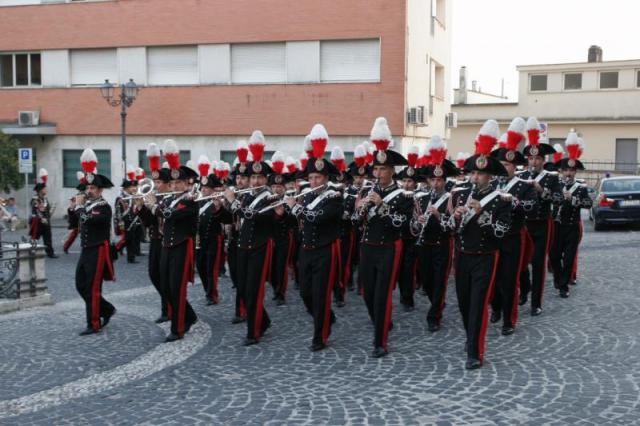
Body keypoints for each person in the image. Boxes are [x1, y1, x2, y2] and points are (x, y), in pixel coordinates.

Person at [446, 119, 512, 369]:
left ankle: (475, 351)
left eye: (480, 173)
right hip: (462, 255)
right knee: (463, 303)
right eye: (473, 172)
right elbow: (449, 228)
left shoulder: (501, 201)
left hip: (486, 256)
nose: (475, 177)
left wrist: (482, 215)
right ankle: (470, 336)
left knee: (477, 305)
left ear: (490, 175)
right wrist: (457, 216)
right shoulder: (460, 194)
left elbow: (501, 233)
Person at [354, 117, 413, 358]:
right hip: (368, 246)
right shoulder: (369, 191)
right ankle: (381, 321)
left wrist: (384, 207)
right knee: (367, 292)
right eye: (376, 169)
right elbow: (357, 223)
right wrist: (361, 208)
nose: (378, 174)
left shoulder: (402, 196)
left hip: (389, 247)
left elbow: (402, 224)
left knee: (382, 294)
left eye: (383, 169)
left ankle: (380, 341)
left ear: (392, 171)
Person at [288, 124, 343, 351]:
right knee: (305, 293)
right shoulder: (306, 196)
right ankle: (327, 318)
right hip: (306, 249)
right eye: (310, 177)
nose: (313, 182)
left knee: (320, 294)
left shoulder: (334, 196)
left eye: (317, 177)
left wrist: (297, 209)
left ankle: (319, 336)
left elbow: (318, 217)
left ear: (326, 178)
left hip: (325, 250)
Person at [225, 131, 276, 346]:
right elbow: (233, 218)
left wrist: (234, 203)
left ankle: (253, 332)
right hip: (243, 246)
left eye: (258, 177)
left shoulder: (270, 198)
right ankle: (263, 320)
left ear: (265, 179)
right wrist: (223, 207)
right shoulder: (246, 196)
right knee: (244, 288)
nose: (254, 181)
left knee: (254, 290)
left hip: (260, 247)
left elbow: (255, 217)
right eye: (252, 177)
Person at [489, 121, 538, 336]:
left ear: (515, 166)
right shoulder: (491, 186)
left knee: (509, 279)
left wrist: (514, 201)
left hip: (512, 237)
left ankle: (509, 319)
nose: (505, 168)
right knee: (493, 277)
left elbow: (530, 206)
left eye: (509, 165)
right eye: (502, 164)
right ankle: (496, 308)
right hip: (491, 237)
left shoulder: (523, 185)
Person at [413, 138, 459, 332]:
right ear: (428, 180)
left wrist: (439, 216)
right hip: (425, 244)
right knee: (428, 281)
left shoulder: (451, 198)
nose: (436, 183)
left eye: (440, 180)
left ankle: (434, 316)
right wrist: (418, 222)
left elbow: (453, 226)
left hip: (442, 244)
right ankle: (437, 303)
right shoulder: (420, 198)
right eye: (433, 180)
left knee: (440, 281)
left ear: (444, 181)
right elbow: (412, 226)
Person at [518, 117, 563, 316]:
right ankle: (525, 288)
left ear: (543, 161)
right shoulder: (520, 177)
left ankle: (536, 302)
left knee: (537, 263)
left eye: (537, 159)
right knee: (520, 263)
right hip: (523, 225)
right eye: (530, 158)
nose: (534, 161)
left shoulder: (551, 177)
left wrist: (541, 189)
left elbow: (558, 198)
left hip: (542, 225)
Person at [158, 140, 199, 342]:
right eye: (172, 183)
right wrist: (141, 207)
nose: (174, 186)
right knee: (165, 286)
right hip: (167, 245)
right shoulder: (167, 200)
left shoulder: (190, 201)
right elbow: (152, 220)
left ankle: (178, 328)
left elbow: (172, 215)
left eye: (178, 183)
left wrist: (153, 206)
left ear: (186, 184)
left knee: (177, 287)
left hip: (182, 246)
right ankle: (189, 316)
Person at [74, 149, 116, 335]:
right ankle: (106, 309)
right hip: (86, 249)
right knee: (80, 284)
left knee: (92, 287)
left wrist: (79, 207)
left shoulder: (103, 207)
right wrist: (76, 207)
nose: (89, 191)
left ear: (100, 190)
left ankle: (93, 323)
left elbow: (88, 219)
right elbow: (75, 218)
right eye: (87, 188)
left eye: (92, 189)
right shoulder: (88, 205)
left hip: (98, 249)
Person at [550, 132, 592, 298]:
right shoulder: (556, 185)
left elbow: (588, 204)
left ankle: (563, 286)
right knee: (554, 257)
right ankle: (559, 278)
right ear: (561, 171)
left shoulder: (580, 188)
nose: (568, 173)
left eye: (571, 170)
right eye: (565, 170)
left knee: (568, 259)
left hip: (572, 226)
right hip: (556, 226)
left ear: (575, 172)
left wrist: (573, 199)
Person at [137, 143, 172, 323]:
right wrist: (141, 208)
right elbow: (148, 222)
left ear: (167, 184)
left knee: (165, 276)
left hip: (168, 242)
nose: (155, 185)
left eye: (158, 183)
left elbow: (166, 218)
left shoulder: (170, 199)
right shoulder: (154, 198)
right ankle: (167, 305)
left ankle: (167, 309)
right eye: (155, 182)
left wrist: (153, 206)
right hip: (155, 241)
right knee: (154, 274)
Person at [196, 164, 232, 305]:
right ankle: (207, 290)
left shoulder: (217, 202)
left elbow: (227, 219)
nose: (203, 190)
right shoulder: (198, 202)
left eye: (206, 188)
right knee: (200, 266)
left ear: (212, 190)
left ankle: (212, 295)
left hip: (213, 239)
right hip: (200, 239)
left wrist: (219, 207)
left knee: (211, 269)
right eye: (202, 188)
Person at [267, 152, 297, 306]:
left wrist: (283, 214)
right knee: (271, 268)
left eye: (279, 186)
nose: (277, 189)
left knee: (281, 266)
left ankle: (281, 293)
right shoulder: (266, 201)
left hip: (284, 237)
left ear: (284, 188)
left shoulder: (288, 201)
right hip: (269, 239)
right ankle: (274, 288)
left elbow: (294, 221)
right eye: (274, 186)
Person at [114, 166, 140, 264]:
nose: (134, 188)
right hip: (125, 222)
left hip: (132, 221)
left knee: (131, 240)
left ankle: (131, 257)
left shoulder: (133, 196)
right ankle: (115, 250)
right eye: (132, 187)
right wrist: (120, 223)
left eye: (135, 186)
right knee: (127, 240)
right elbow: (118, 211)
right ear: (126, 188)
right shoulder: (121, 198)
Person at [29, 168, 57, 258]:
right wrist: (42, 218)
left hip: (46, 221)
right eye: (45, 188)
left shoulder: (44, 199)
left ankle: (50, 253)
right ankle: (30, 251)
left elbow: (46, 210)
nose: (46, 190)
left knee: (48, 237)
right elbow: (37, 211)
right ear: (41, 190)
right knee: (35, 237)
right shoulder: (35, 199)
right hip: (37, 221)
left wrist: (52, 209)